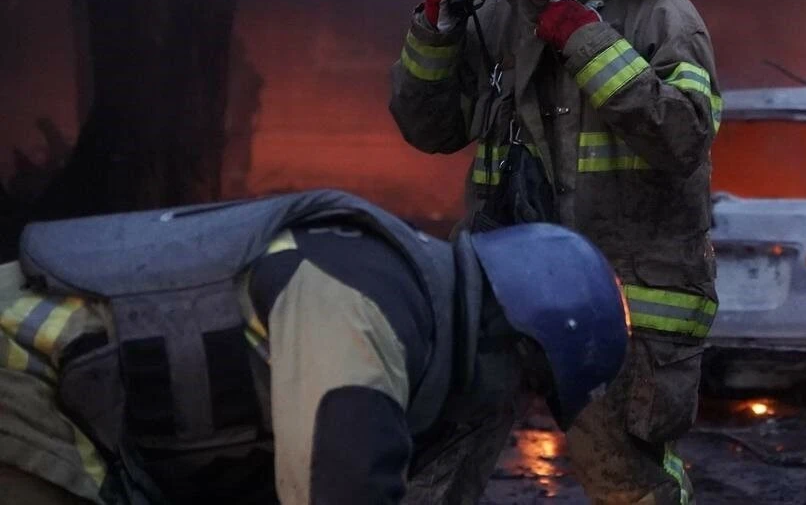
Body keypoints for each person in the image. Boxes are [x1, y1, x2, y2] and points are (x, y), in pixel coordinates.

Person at [390, 0, 720, 503]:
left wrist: (590, 44)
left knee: (624, 480)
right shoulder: (499, 18)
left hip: (622, 300)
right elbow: (429, 127)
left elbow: (685, 138)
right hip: (502, 287)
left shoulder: (664, 19)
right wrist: (435, 32)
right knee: (434, 470)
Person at [0, 188, 628, 505]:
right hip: (24, 378)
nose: (515, 412)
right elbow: (340, 484)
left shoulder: (399, 298)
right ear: (510, 337)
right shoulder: (366, 301)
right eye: (528, 390)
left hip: (68, 404)